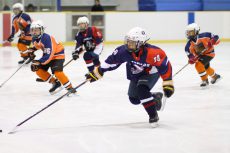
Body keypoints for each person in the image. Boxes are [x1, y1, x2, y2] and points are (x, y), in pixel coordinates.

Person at [85, 27, 174, 127]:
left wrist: (168, 82)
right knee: (134, 99)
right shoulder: (123, 51)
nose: (128, 44)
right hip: (136, 74)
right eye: (128, 41)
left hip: (151, 73)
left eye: (132, 42)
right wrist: (98, 72)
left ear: (141, 43)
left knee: (142, 90)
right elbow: (111, 62)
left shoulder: (153, 53)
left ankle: (153, 115)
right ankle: (154, 97)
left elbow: (164, 66)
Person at [29, 20, 76, 94]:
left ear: (42, 30)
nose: (34, 32)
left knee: (58, 72)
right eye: (32, 30)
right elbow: (38, 45)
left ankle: (70, 88)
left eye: (36, 30)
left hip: (57, 55)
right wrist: (32, 50)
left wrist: (39, 61)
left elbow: (50, 54)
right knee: (37, 69)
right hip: (48, 56)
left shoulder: (47, 38)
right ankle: (55, 83)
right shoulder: (34, 38)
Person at [185, 23, 221, 87]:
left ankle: (205, 80)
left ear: (196, 31)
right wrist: (192, 59)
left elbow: (217, 38)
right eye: (188, 32)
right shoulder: (188, 46)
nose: (189, 34)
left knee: (198, 65)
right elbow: (190, 55)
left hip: (209, 54)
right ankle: (215, 76)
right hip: (201, 56)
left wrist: (213, 41)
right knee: (206, 68)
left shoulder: (206, 35)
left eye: (191, 32)